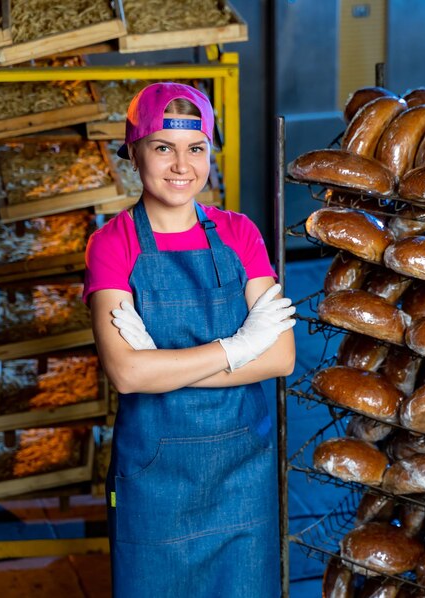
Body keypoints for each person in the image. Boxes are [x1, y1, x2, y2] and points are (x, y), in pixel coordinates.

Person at [83, 81, 296, 597]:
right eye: (163, 147)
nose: (182, 165)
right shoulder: (112, 244)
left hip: (244, 475)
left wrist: (162, 362)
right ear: (134, 154)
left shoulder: (240, 233)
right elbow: (129, 376)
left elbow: (282, 357)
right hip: (156, 480)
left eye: (195, 148)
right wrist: (240, 345)